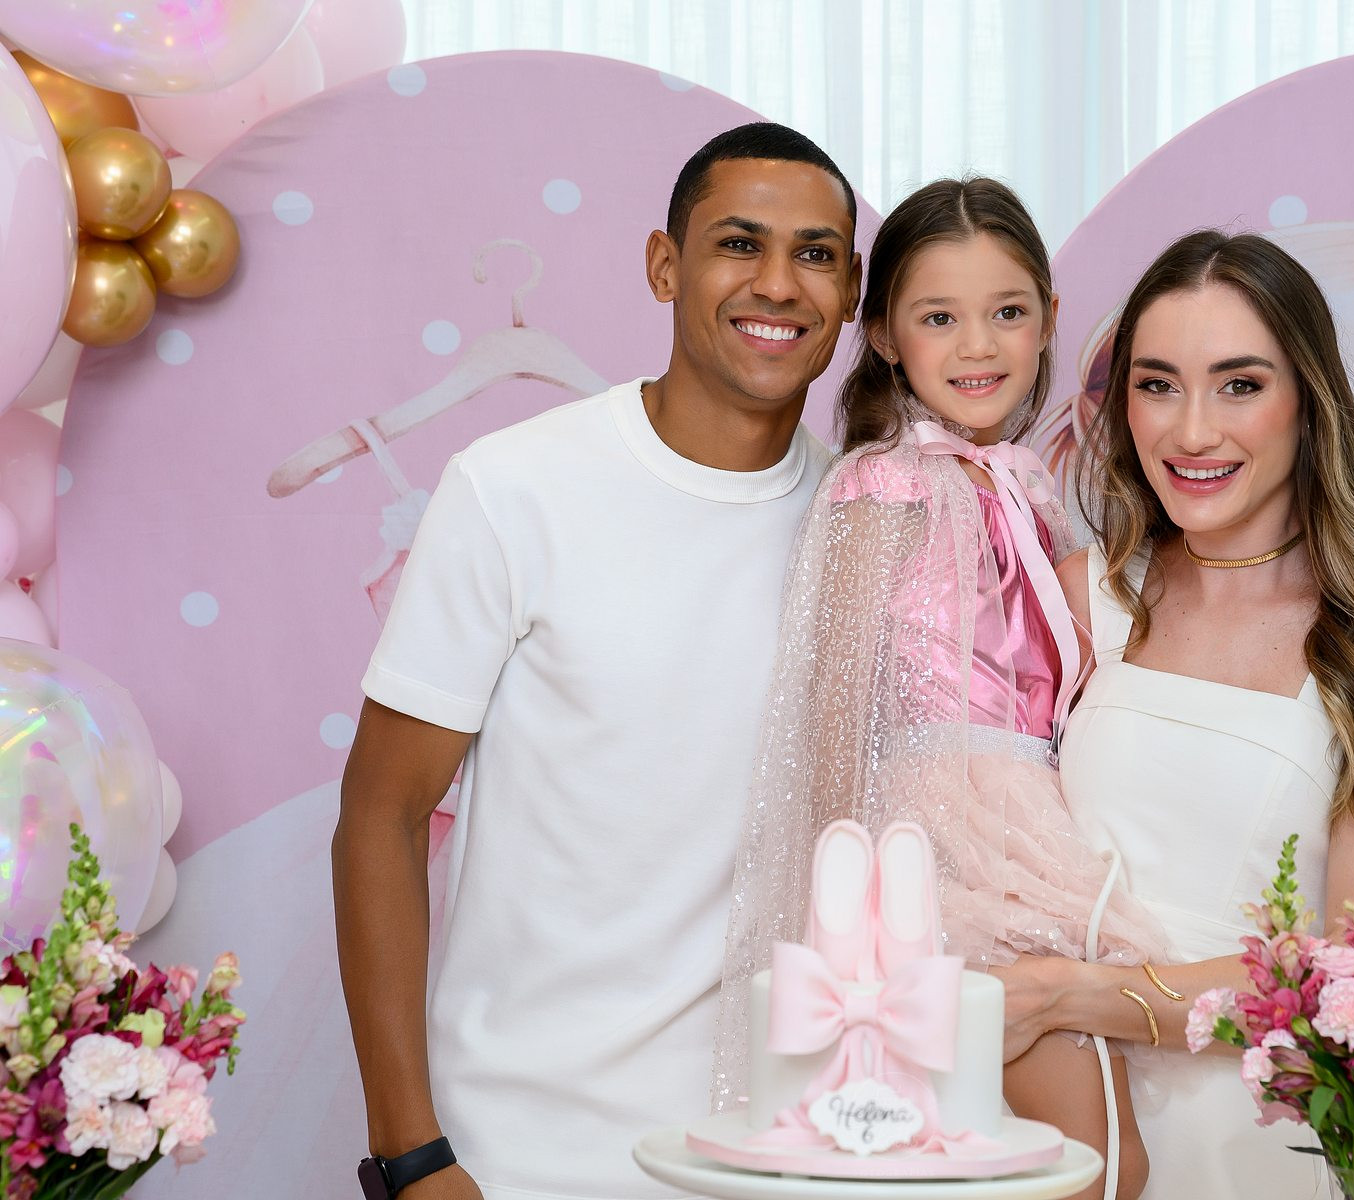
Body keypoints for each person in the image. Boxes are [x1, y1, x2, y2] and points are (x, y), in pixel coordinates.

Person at [332, 122, 861, 1200]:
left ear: (852, 292)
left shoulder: (864, 523)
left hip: (777, 1153)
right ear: (665, 265)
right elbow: (379, 817)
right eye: (738, 244)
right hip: (518, 1153)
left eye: (815, 254)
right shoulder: (513, 489)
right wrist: (411, 1155)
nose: (777, 284)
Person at [994, 229, 1354, 1200]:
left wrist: (1073, 995)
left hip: (1254, 1143)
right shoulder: (1082, 596)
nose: (1191, 432)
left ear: (1309, 401)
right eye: (1158, 384)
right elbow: (982, 848)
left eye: (1240, 385)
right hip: (1054, 1124)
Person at [714, 177, 1165, 1200]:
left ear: (1048, 317)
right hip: (939, 846)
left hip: (1042, 820)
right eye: (938, 318)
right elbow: (833, 713)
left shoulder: (1028, 484)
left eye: (1007, 312)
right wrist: (848, 917)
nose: (978, 346)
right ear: (882, 333)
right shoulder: (884, 486)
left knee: (1087, 1158)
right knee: (1078, 1160)